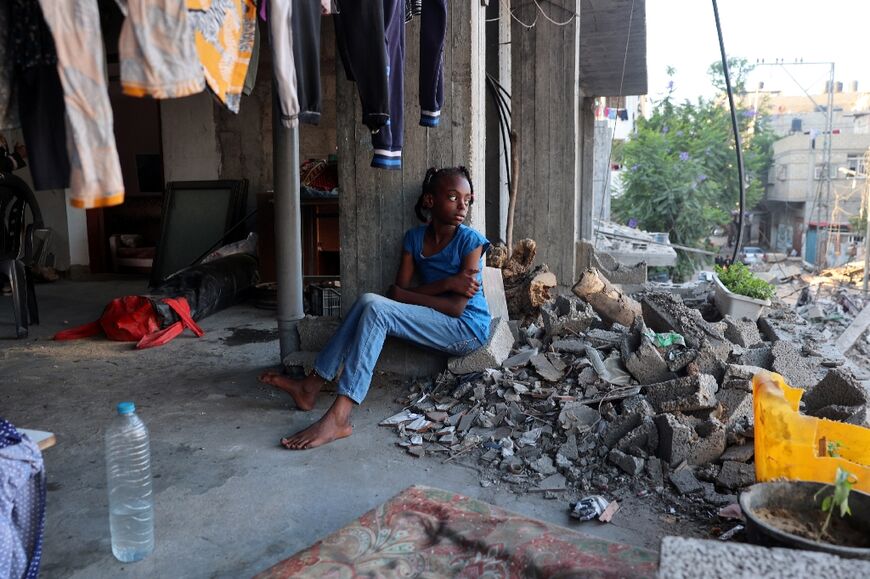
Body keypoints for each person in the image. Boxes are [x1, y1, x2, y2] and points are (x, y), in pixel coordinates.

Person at [259, 166, 491, 450]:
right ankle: (310, 387)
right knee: (369, 301)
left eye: (468, 199)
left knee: (377, 308)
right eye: (453, 197)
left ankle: (339, 416)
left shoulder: (471, 242)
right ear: (430, 201)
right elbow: (396, 292)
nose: (462, 206)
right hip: (435, 317)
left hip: (466, 329)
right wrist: (447, 282)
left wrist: (421, 292)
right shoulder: (415, 238)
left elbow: (455, 308)